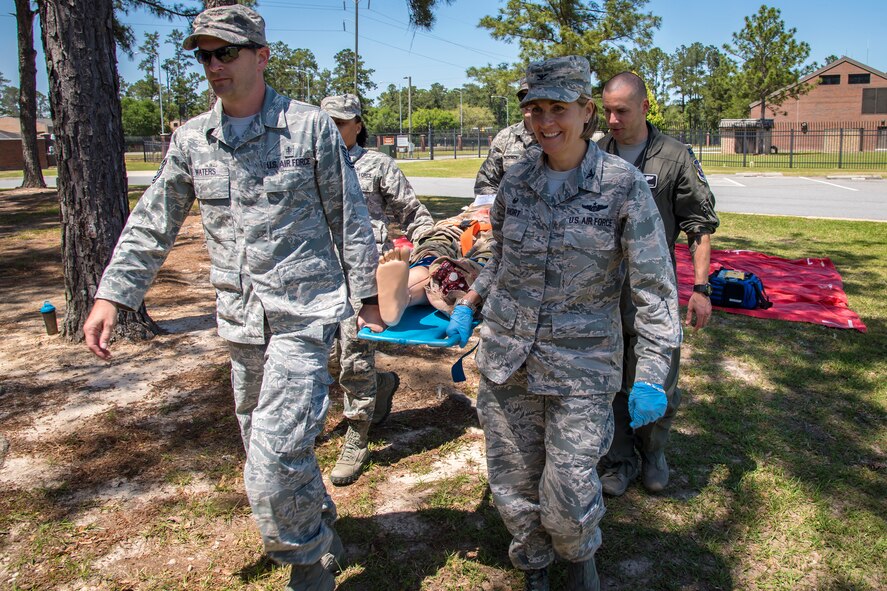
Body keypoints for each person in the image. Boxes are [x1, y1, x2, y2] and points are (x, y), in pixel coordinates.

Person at [82, 6, 380, 591]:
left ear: (261, 56)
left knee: (270, 462)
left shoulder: (310, 126)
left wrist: (366, 298)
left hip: (304, 315)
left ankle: (307, 564)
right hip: (242, 323)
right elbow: (152, 222)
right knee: (271, 445)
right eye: (204, 55)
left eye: (226, 52)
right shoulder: (194, 138)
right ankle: (320, 520)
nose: (213, 65)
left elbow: (350, 217)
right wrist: (113, 296)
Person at [445, 56, 681, 590]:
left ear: (586, 111)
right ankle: (533, 568)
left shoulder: (622, 186)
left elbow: (654, 289)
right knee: (513, 486)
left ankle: (579, 559)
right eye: (534, 109)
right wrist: (471, 300)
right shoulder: (516, 180)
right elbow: (502, 257)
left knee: (571, 493)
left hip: (582, 367)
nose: (545, 121)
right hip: (508, 362)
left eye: (558, 108)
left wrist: (651, 371)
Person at [597, 72, 720, 496]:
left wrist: (700, 290)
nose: (612, 119)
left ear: (645, 107)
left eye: (622, 111)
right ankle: (619, 460)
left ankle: (654, 454)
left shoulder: (674, 156)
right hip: (603, 295)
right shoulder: (593, 155)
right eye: (607, 110)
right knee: (609, 381)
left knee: (656, 382)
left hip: (653, 295)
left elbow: (698, 226)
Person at [320, 94, 434, 486]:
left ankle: (357, 434)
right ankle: (381, 386)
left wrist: (433, 251)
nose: (333, 129)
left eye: (341, 122)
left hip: (364, 277)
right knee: (327, 357)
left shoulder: (377, 165)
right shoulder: (310, 165)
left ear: (357, 125)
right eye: (327, 121)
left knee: (354, 354)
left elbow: (413, 214)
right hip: (319, 273)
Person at [473, 79, 537, 199]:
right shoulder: (504, 137)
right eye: (523, 96)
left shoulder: (558, 135)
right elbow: (486, 182)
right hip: (509, 214)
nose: (527, 101)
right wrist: (498, 208)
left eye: (532, 96)